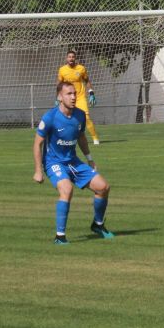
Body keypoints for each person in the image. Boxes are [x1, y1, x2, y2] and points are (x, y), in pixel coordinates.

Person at [33, 81, 114, 245]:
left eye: (74, 93)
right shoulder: (50, 117)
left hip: (73, 161)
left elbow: (81, 137)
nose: (73, 97)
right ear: (60, 97)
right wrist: (38, 170)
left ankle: (98, 225)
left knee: (103, 187)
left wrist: (90, 159)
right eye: (69, 94)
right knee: (67, 189)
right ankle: (60, 236)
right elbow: (37, 144)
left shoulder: (80, 115)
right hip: (53, 162)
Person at [57, 49, 100, 145]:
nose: (71, 59)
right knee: (64, 118)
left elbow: (87, 81)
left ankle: (95, 138)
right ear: (66, 58)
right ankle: (67, 139)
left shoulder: (81, 68)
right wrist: (58, 97)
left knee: (86, 117)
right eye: (69, 57)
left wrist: (91, 93)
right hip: (67, 98)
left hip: (80, 97)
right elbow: (59, 84)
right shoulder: (62, 70)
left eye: (73, 57)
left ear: (75, 58)